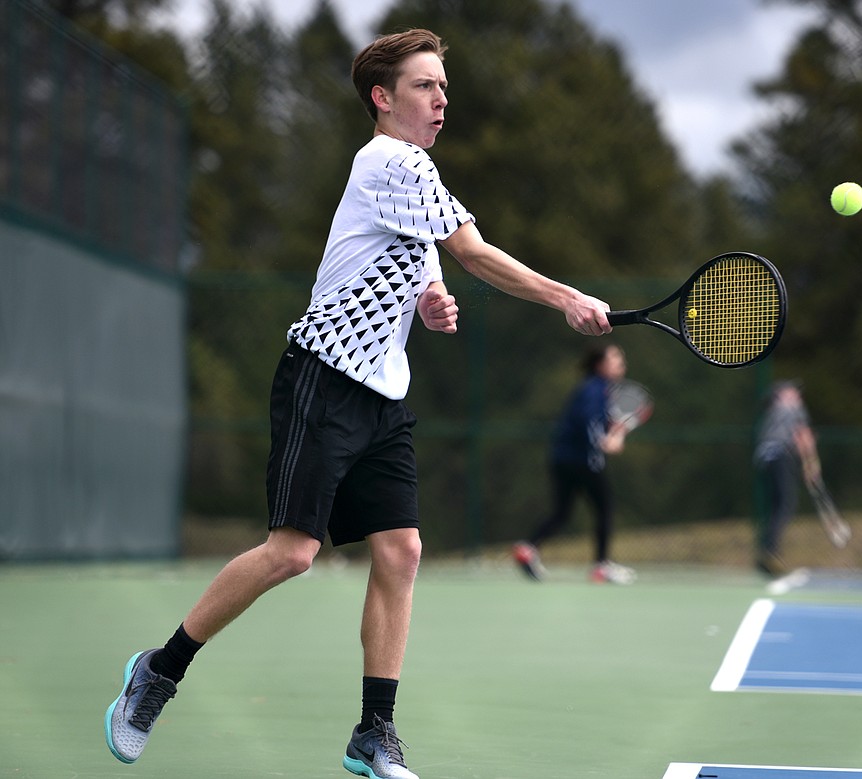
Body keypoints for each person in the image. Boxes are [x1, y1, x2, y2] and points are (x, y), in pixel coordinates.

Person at [104, 29, 613, 779]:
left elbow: (429, 267)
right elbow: (473, 252)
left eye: (444, 86)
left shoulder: (419, 179)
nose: (441, 99)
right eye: (425, 86)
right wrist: (566, 296)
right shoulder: (389, 160)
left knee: (402, 550)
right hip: (324, 376)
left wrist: (432, 302)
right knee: (293, 552)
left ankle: (374, 731)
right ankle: (159, 670)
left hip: (382, 396)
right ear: (384, 97)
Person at [512, 343, 637, 584]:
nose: (622, 362)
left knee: (562, 511)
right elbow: (588, 423)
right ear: (600, 364)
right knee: (605, 508)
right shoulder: (595, 390)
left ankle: (528, 548)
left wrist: (613, 432)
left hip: (562, 458)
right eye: (615, 358)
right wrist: (604, 442)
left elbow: (601, 420)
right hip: (582, 460)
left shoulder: (596, 389)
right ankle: (601, 566)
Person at [752, 380, 821, 577]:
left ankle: (767, 550)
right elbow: (803, 436)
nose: (798, 396)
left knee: (776, 504)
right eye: (792, 392)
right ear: (781, 395)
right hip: (780, 455)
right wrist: (811, 464)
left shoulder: (772, 413)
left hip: (764, 458)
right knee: (786, 503)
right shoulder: (793, 410)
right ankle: (771, 552)